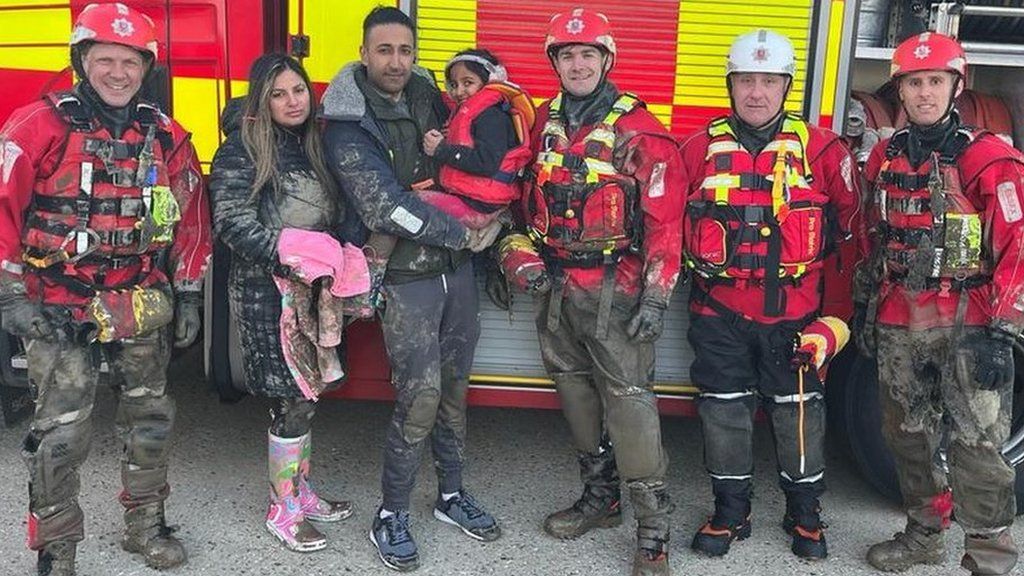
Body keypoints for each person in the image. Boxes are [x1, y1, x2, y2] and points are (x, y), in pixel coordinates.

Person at [0, 3, 211, 575]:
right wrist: (10, 294)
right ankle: (56, 550)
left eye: (130, 62)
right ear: (81, 62)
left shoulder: (166, 136)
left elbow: (192, 216)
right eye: (104, 60)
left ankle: (145, 528)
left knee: (150, 421)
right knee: (61, 436)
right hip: (58, 305)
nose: (118, 73)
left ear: (146, 69)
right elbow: (2, 211)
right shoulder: (34, 126)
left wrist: (188, 291)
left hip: (137, 300)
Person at [498, 8, 684, 576]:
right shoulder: (545, 122)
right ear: (554, 62)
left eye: (587, 54)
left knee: (630, 406)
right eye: (566, 55)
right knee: (575, 395)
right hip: (556, 288)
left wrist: (655, 296)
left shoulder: (639, 131)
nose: (577, 64)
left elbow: (665, 221)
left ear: (607, 60)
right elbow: (521, 200)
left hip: (617, 289)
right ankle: (600, 499)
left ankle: (653, 530)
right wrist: (519, 255)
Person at [320, 7, 501, 572]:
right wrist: (465, 229)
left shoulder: (428, 93)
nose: (396, 61)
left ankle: (449, 496)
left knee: (454, 391)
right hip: (408, 278)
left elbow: (471, 156)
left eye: (404, 50)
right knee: (419, 397)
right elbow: (383, 205)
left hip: (458, 273)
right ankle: (391, 513)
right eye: (384, 51)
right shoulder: (348, 121)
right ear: (364, 52)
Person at [680, 29, 860, 560]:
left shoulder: (825, 150)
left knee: (798, 413)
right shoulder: (696, 148)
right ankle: (731, 511)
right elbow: (666, 228)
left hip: (797, 319)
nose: (756, 92)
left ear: (787, 86)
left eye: (768, 81)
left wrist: (836, 322)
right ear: (731, 85)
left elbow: (850, 243)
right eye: (745, 81)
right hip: (718, 313)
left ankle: (804, 514)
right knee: (724, 412)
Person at [856, 31, 1022, 576]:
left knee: (978, 445)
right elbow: (869, 235)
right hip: (899, 318)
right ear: (899, 90)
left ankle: (990, 557)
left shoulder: (988, 158)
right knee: (907, 435)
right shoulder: (884, 156)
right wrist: (864, 308)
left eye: (934, 81)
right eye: (913, 83)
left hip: (968, 324)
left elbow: (1017, 244)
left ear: (956, 85)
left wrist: (1005, 329)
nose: (924, 93)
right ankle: (924, 536)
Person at [209, 54, 361, 554]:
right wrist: (290, 252)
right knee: (291, 399)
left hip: (312, 292)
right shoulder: (242, 151)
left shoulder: (309, 144)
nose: (292, 101)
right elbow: (230, 222)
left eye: (298, 90)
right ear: (262, 100)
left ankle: (301, 490)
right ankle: (282, 507)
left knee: (307, 396)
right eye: (278, 94)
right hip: (267, 295)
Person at [362, 47, 530, 303]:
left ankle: (366, 284)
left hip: (477, 207)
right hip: (471, 199)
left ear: (490, 81)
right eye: (454, 84)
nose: (459, 91)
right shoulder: (472, 114)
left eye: (468, 83)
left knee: (399, 208)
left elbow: (485, 163)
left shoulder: (492, 117)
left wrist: (441, 150)